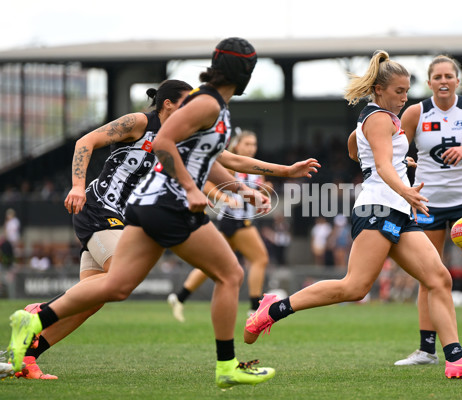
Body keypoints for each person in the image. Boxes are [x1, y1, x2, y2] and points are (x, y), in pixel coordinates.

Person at [7, 37, 320, 389]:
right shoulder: (197, 107)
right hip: (129, 205)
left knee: (111, 289)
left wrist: (260, 181)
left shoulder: (211, 107)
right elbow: (156, 144)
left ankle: (33, 333)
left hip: (140, 206)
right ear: (243, 72)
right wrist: (189, 188)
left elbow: (221, 160)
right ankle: (226, 365)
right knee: (228, 273)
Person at [243, 50, 462, 379]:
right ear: (379, 89)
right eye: (398, 91)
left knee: (438, 278)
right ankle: (273, 309)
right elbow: (378, 165)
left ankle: (455, 359)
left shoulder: (378, 119)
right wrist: (403, 186)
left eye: (407, 91)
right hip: (379, 208)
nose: (404, 98)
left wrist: (394, 163)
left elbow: (356, 149)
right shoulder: (378, 118)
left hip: (398, 211)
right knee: (354, 287)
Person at [14, 79, 193, 379]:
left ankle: (28, 357)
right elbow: (85, 142)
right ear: (168, 104)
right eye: (188, 104)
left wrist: (282, 171)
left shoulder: (176, 137)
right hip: (98, 207)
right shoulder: (139, 121)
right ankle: (37, 314)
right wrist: (77, 186)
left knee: (92, 300)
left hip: (119, 218)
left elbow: (223, 160)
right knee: (119, 279)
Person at [393, 55, 462, 366]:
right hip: (427, 203)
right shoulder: (416, 112)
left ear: (458, 81)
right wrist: (405, 163)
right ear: (429, 83)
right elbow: (392, 147)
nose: (443, 81)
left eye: (448, 76)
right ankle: (426, 349)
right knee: (430, 276)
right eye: (437, 77)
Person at [167, 130, 272, 322]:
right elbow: (206, 183)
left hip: (234, 220)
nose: (251, 148)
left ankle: (180, 296)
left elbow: (252, 192)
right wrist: (224, 198)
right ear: (237, 146)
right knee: (260, 259)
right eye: (247, 144)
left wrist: (265, 190)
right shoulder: (232, 165)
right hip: (236, 220)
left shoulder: (252, 167)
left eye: (254, 144)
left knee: (214, 263)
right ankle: (254, 307)